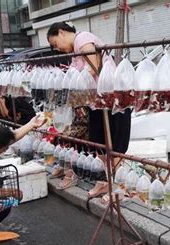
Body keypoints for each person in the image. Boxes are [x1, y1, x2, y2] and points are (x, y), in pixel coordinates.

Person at [47, 21, 132, 199]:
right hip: (97, 103)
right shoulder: (74, 53)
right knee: (98, 142)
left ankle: (114, 187)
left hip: (112, 99)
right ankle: (103, 181)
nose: (58, 49)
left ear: (61, 32)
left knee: (115, 144)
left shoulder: (82, 38)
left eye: (55, 44)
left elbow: (93, 65)